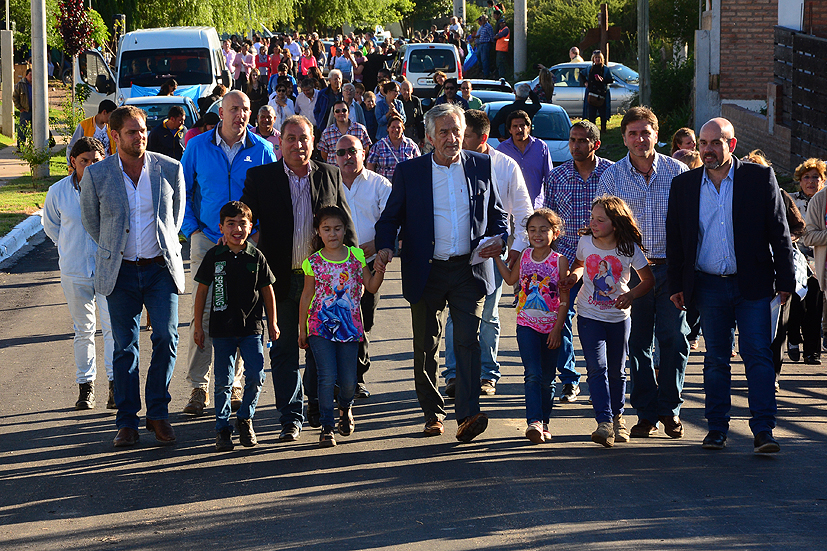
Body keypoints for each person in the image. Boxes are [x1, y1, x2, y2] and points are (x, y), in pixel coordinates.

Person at [373, 103, 509, 442]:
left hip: (469, 269)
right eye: (444, 132)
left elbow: (498, 216)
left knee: (468, 341)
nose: (452, 138)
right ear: (430, 137)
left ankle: (467, 415)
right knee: (425, 345)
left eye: (457, 131)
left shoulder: (481, 164)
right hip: (427, 270)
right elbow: (390, 218)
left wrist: (500, 239)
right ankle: (433, 413)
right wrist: (386, 247)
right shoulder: (410, 172)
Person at [666, 117, 795, 454]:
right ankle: (717, 429)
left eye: (715, 143)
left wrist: (786, 280)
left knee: (758, 356)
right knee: (716, 360)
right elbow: (677, 240)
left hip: (752, 285)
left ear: (731, 145)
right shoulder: (685, 185)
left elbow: (779, 232)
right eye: (703, 143)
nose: (707, 150)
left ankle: (764, 430)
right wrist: (678, 283)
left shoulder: (759, 178)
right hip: (708, 287)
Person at [240, 115, 356, 442]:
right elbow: (244, 219)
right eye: (290, 139)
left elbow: (346, 227)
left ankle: (317, 404)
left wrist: (355, 274)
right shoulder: (261, 178)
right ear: (280, 142)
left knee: (321, 349)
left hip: (323, 284)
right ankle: (290, 417)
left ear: (313, 140)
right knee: (284, 350)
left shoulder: (330, 175)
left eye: (303, 138)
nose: (297, 145)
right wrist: (233, 239)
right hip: (279, 280)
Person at [79, 106, 186, 448]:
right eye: (131, 132)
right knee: (124, 348)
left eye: (142, 130)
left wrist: (161, 246)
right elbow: (92, 222)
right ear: (114, 135)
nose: (139, 136)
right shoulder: (98, 175)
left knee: (167, 340)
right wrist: (114, 249)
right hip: (121, 273)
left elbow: (176, 217)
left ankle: (158, 413)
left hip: (159, 270)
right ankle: (127, 421)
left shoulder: (169, 168)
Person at [180, 91, 277, 416]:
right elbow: (183, 189)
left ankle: (235, 387)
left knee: (241, 313)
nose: (241, 114)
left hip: (247, 243)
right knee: (205, 312)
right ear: (221, 112)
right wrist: (192, 228)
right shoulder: (197, 147)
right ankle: (199, 386)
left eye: (245, 109)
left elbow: (268, 194)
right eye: (235, 108)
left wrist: (258, 232)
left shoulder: (261, 149)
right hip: (208, 239)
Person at [598, 106, 688, 439]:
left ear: (657, 135)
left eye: (645, 132)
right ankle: (646, 413)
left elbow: (692, 222)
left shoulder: (678, 171)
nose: (639, 139)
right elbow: (603, 225)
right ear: (624, 138)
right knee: (636, 344)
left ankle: (670, 409)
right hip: (632, 271)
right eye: (633, 133)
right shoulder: (612, 176)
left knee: (674, 339)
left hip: (671, 269)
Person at [443, 109, 532, 397]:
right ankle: (453, 374)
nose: (458, 139)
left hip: (494, 255)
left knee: (489, 316)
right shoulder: (449, 164)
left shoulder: (505, 166)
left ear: (482, 138)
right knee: (456, 315)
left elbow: (523, 212)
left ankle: (487, 374)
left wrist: (514, 251)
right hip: (457, 255)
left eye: (464, 135)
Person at [563, 195, 653, 447]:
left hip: (618, 318)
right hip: (589, 314)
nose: (593, 223)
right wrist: (573, 276)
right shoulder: (585, 242)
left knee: (617, 370)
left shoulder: (628, 248)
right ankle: (603, 421)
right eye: (592, 217)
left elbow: (648, 280)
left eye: (600, 220)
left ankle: (618, 419)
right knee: (596, 367)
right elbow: (580, 264)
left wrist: (630, 295)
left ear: (615, 223)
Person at [192, 201, 278, 452]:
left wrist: (272, 322)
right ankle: (222, 427)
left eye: (243, 223)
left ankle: (245, 418)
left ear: (251, 227)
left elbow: (267, 290)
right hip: (221, 330)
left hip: (251, 328)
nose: (237, 229)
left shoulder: (256, 256)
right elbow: (201, 292)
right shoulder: (214, 256)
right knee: (223, 381)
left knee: (256, 375)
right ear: (221, 228)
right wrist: (199, 326)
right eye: (231, 224)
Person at [299, 206, 386, 447]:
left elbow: (370, 286)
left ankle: (345, 407)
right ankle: (327, 426)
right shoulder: (312, 262)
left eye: (337, 229)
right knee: (327, 377)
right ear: (318, 231)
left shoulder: (356, 256)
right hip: (320, 327)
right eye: (326, 229)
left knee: (348, 381)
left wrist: (379, 270)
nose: (332, 234)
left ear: (345, 230)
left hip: (350, 327)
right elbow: (307, 296)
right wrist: (302, 328)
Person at [42, 138, 115, 411]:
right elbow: (52, 227)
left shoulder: (112, 188)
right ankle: (86, 387)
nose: (91, 166)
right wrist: (69, 248)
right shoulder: (58, 192)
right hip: (74, 270)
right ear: (73, 162)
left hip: (107, 269)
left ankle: (114, 385)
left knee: (112, 330)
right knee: (83, 330)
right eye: (85, 161)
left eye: (96, 160)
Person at [543, 120, 613, 402]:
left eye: (582, 141)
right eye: (572, 140)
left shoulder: (611, 173)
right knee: (562, 318)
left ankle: (605, 375)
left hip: (604, 263)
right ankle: (569, 378)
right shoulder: (556, 176)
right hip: (567, 262)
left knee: (604, 320)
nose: (576, 146)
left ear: (595, 144)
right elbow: (549, 221)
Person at [494, 209, 568, 443]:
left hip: (552, 328)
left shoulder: (560, 261)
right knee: (533, 374)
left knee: (548, 378)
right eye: (533, 230)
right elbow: (510, 279)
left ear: (554, 233)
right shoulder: (525, 256)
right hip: (526, 324)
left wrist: (557, 329)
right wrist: (497, 257)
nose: (537, 234)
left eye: (544, 230)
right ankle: (533, 421)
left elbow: (564, 300)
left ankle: (544, 421)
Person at [334, 135, 392, 398]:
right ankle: (341, 378)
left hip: (368, 264)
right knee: (336, 319)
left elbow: (392, 221)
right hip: (334, 266)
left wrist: (375, 244)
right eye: (341, 152)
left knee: (362, 321)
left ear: (364, 153)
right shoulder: (328, 183)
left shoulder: (380, 185)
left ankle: (356, 376)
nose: (347, 157)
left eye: (352, 151)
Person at [789, 158, 827, 365]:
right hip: (795, 256)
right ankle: (793, 338)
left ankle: (812, 351)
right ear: (799, 180)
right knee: (795, 302)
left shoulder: (823, 201)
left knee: (813, 303)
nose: (811, 181)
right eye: (806, 177)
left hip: (818, 259)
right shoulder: (791, 200)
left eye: (816, 177)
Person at [497, 110, 553, 207]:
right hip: (511, 209)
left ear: (528, 128)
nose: (519, 129)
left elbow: (550, 178)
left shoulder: (541, 147)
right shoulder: (502, 150)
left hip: (536, 207)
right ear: (509, 130)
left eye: (522, 125)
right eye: (515, 126)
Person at [366, 115, 421, 181]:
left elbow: (419, 163)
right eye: (393, 127)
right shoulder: (379, 146)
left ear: (403, 129)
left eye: (399, 127)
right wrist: (373, 182)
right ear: (388, 128)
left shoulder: (411, 145)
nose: (396, 130)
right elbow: (370, 164)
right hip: (384, 187)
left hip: (406, 185)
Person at [66, 100, 117, 166]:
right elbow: (71, 147)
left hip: (108, 166)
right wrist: (71, 166)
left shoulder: (111, 127)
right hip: (89, 167)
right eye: (111, 116)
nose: (113, 119)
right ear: (104, 112)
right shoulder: (84, 125)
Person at [581, 50, 613, 132]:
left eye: (599, 57)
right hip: (591, 94)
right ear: (593, 59)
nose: (597, 59)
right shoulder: (589, 68)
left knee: (603, 113)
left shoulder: (605, 69)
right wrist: (585, 82)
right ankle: (592, 130)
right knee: (591, 113)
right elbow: (581, 74)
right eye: (596, 58)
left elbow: (611, 80)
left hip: (602, 94)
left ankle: (603, 129)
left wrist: (603, 80)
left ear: (601, 58)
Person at [314, 69, 344, 135]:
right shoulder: (323, 94)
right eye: (335, 79)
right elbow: (317, 110)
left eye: (339, 79)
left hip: (343, 127)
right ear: (330, 80)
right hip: (326, 127)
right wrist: (320, 122)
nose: (338, 81)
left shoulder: (345, 93)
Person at [399, 80, 425, 144]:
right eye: (404, 89)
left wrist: (422, 136)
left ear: (412, 90)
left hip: (413, 131)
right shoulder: (397, 101)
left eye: (408, 90)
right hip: (401, 130)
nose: (406, 92)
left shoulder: (415, 101)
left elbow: (420, 118)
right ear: (400, 90)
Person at [12, 68, 33, 148]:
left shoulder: (36, 83)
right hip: (25, 110)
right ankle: (20, 146)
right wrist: (20, 108)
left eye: (32, 75)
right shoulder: (21, 84)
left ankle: (33, 146)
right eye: (30, 75)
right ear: (26, 76)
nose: (31, 77)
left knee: (34, 129)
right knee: (22, 129)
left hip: (35, 111)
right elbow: (15, 97)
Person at [493, 12, 510, 79]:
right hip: (499, 49)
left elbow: (498, 36)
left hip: (503, 49)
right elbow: (496, 36)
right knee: (499, 64)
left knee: (501, 64)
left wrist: (496, 36)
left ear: (505, 23)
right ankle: (500, 76)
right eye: (500, 23)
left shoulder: (505, 29)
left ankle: (502, 77)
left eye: (503, 23)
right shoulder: (501, 29)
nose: (501, 24)